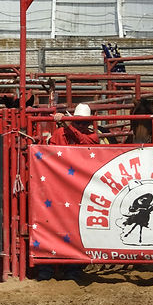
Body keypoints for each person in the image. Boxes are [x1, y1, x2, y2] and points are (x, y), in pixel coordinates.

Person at [34, 102, 96, 282]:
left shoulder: (90, 136)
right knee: (51, 225)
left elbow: (85, 142)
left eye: (84, 123)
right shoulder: (59, 133)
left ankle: (71, 268)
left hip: (77, 189)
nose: (81, 126)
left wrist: (68, 126)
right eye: (78, 123)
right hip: (58, 187)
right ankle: (47, 268)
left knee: (73, 228)